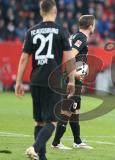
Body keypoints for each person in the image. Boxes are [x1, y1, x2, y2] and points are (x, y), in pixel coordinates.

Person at [15, 0, 75, 159]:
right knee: (52, 122)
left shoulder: (31, 31)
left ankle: (42, 157)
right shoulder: (62, 31)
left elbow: (23, 59)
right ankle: (34, 148)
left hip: (35, 80)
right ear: (54, 11)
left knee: (39, 122)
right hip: (53, 81)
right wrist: (71, 81)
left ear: (41, 12)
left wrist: (18, 82)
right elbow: (69, 59)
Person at [51, 15, 95, 150]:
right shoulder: (81, 38)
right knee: (67, 110)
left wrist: (80, 76)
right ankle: (56, 143)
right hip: (71, 79)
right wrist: (75, 75)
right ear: (90, 26)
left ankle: (77, 141)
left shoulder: (76, 37)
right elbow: (70, 56)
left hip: (76, 80)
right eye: (94, 24)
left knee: (75, 111)